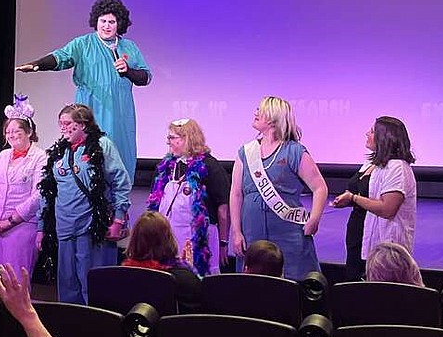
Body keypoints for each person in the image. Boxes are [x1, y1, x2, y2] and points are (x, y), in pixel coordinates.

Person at [16, 0, 151, 181]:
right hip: (89, 113)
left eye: (112, 21)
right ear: (95, 21)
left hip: (120, 115)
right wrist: (38, 64)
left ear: (119, 24)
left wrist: (128, 71)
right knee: (87, 157)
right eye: (103, 21)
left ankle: (118, 206)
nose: (106, 25)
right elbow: (61, 57)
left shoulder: (129, 47)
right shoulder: (82, 44)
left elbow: (144, 77)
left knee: (120, 156)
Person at [36, 103, 131, 304]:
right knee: (68, 284)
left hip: (91, 227)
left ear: (83, 125)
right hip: (64, 228)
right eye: (60, 123)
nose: (62, 128)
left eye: (67, 123)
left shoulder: (102, 145)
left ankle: (98, 326)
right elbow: (48, 191)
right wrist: (41, 227)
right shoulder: (59, 152)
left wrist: (118, 220)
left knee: (94, 284)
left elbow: (121, 182)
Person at [230, 96, 328, 281]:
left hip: (288, 232)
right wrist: (236, 232)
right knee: (253, 283)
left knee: (293, 282)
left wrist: (314, 219)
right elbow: (236, 194)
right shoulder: (245, 152)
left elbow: (320, 187)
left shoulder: (294, 151)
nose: (255, 112)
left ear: (274, 117)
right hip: (252, 231)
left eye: (261, 109)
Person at [147, 118, 230, 277]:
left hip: (199, 241)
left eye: (172, 138)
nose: (168, 142)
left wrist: (224, 243)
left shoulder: (210, 166)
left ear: (187, 138)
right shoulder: (165, 168)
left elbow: (223, 208)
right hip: (167, 240)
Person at [333, 116, 417, 262]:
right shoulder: (372, 164)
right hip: (360, 237)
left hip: (386, 246)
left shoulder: (397, 168)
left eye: (372, 131)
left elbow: (387, 209)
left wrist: (354, 198)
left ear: (384, 138)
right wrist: (348, 200)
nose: (367, 133)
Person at [0, 95, 45, 274]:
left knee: (17, 279)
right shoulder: (1, 157)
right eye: (9, 132)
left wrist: (11, 220)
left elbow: (38, 195)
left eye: (17, 131)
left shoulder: (40, 157)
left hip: (21, 227)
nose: (12, 135)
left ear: (29, 132)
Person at [122, 211, 202, 313]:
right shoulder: (181, 278)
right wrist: (189, 271)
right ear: (168, 238)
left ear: (134, 239)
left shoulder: (123, 276)